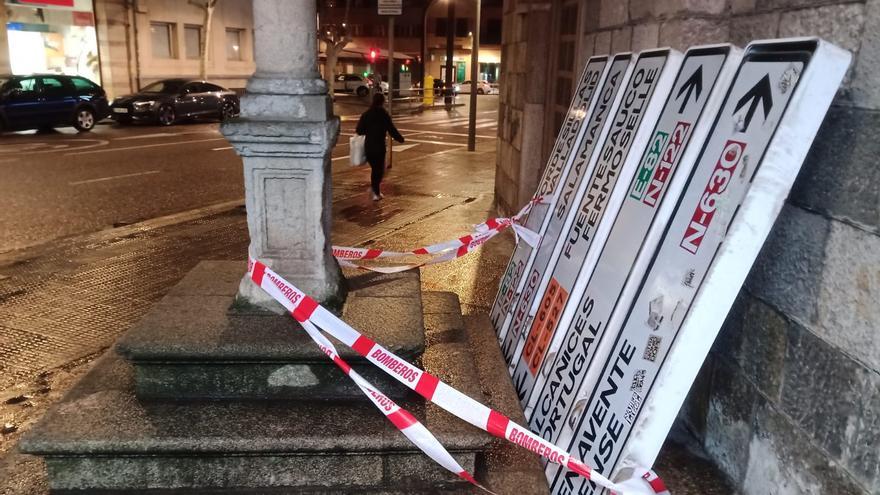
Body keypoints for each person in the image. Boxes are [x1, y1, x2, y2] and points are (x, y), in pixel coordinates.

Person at [356, 93, 404, 201]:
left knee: (375, 169)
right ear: (382, 102)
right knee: (378, 170)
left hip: (368, 146)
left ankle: (374, 189)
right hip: (379, 146)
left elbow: (359, 130)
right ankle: (375, 191)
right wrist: (400, 138)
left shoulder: (366, 114)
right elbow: (391, 129)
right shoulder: (383, 114)